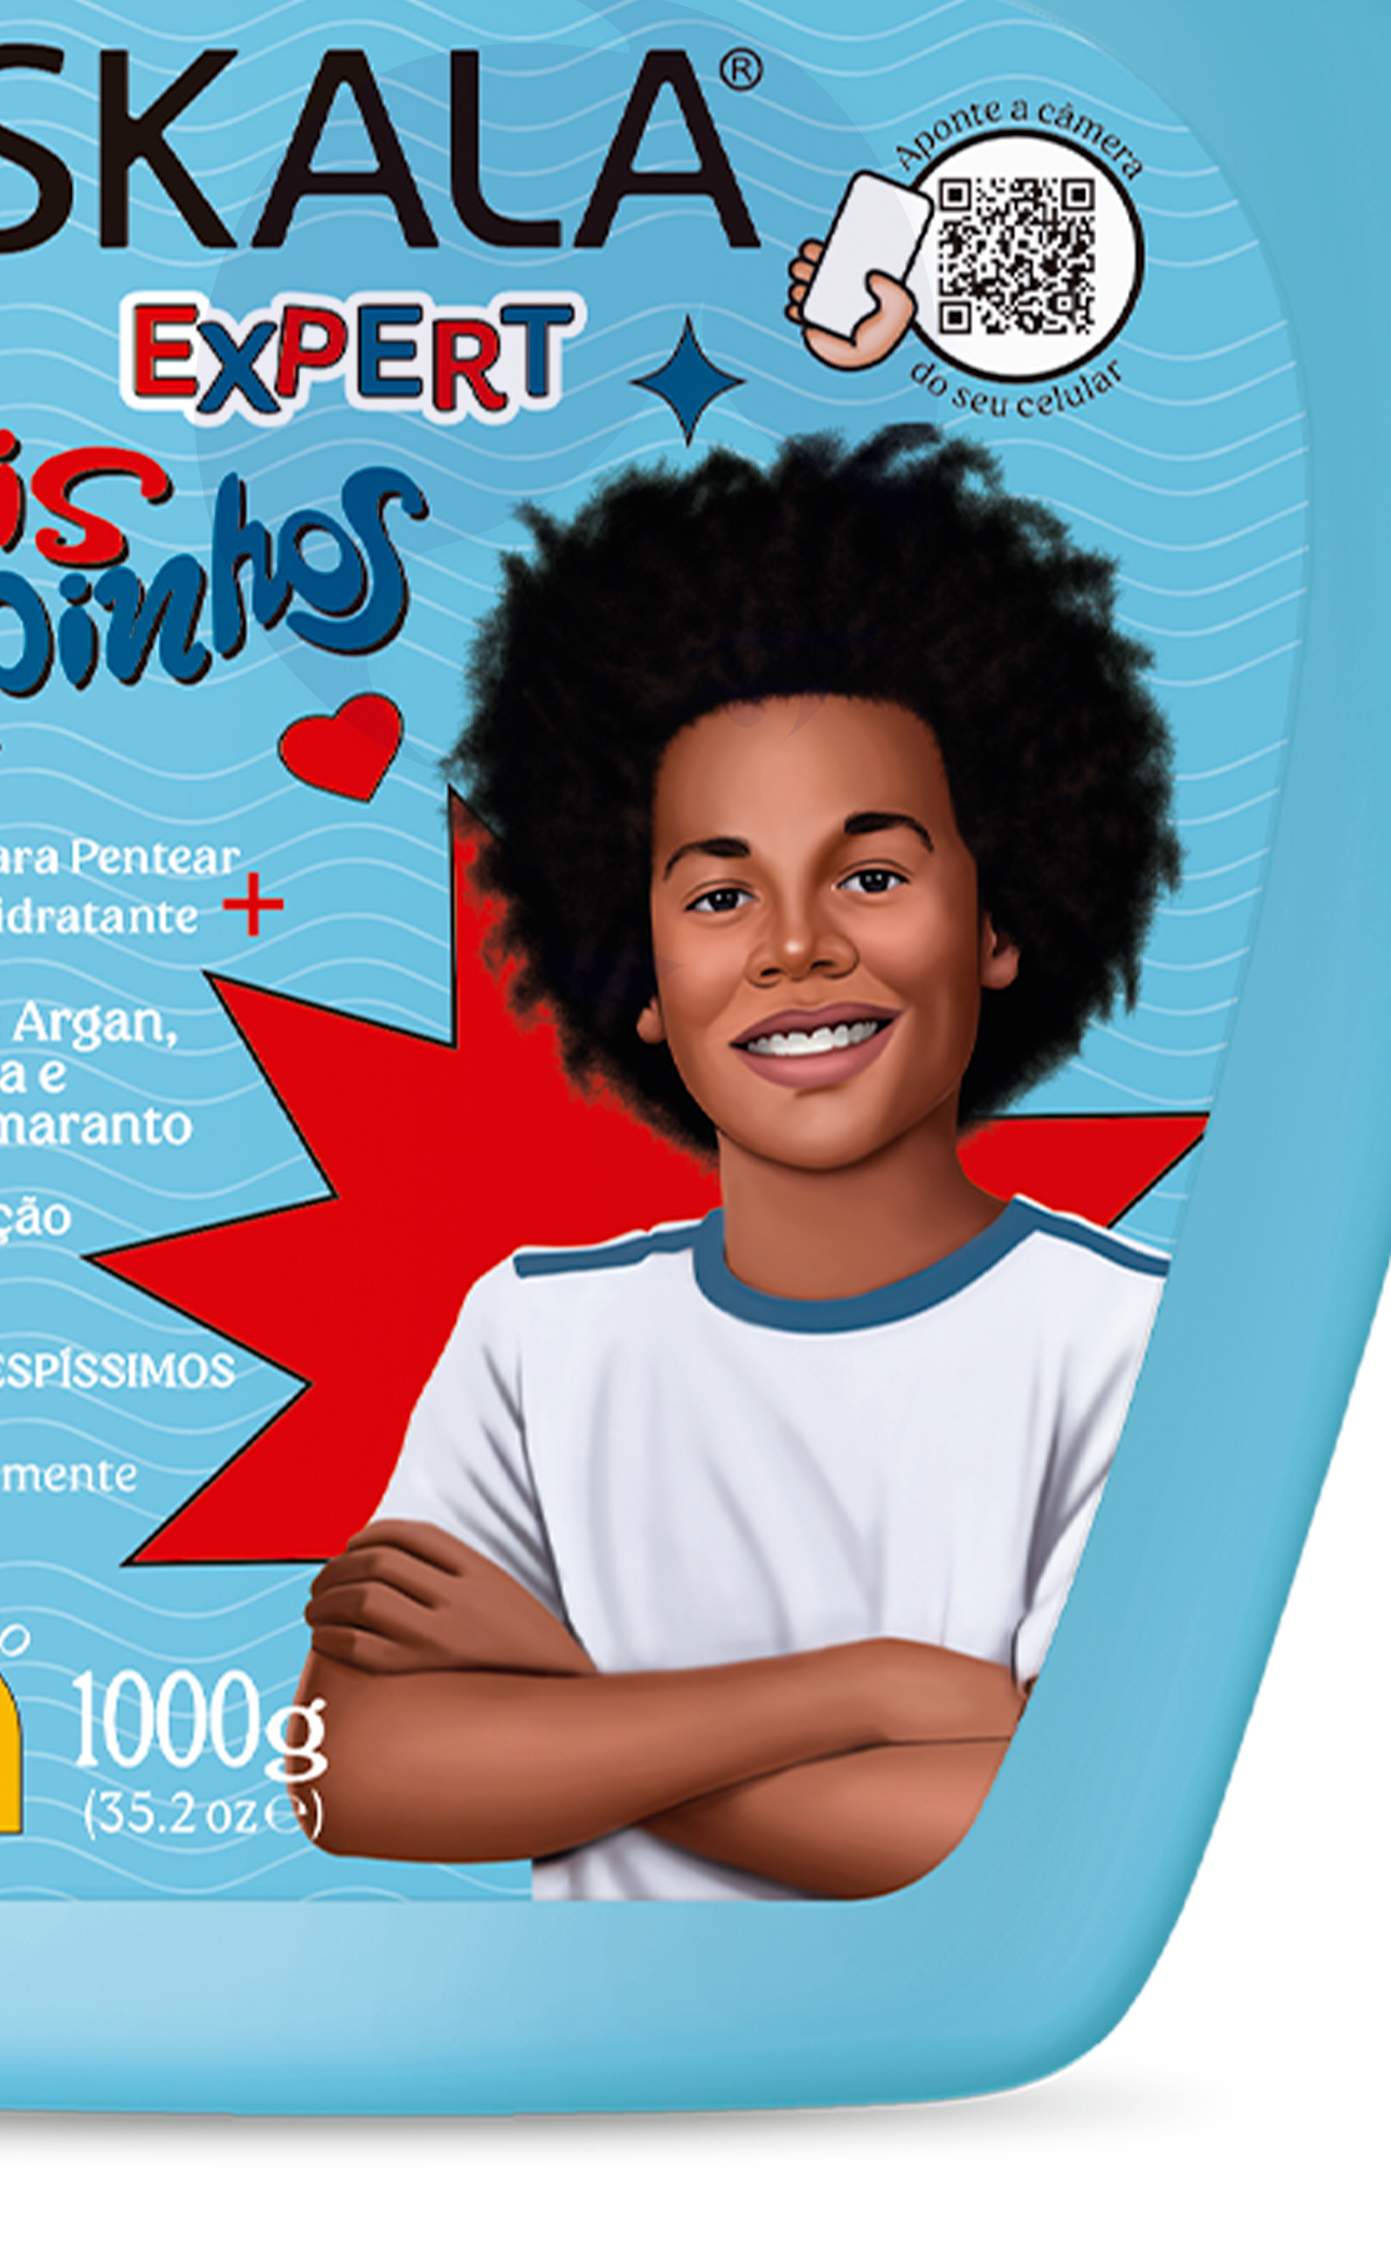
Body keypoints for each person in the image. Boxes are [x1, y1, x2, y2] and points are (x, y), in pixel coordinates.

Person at [295, 427, 1184, 1898]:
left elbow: (1060, 1834)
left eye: (874, 874)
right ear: (635, 966)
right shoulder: (536, 1338)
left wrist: (567, 1694)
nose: (795, 946)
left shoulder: (1132, 1345)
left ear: (998, 921)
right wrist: (871, 1690)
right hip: (582, 2050)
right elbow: (354, 1772)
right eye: (718, 895)